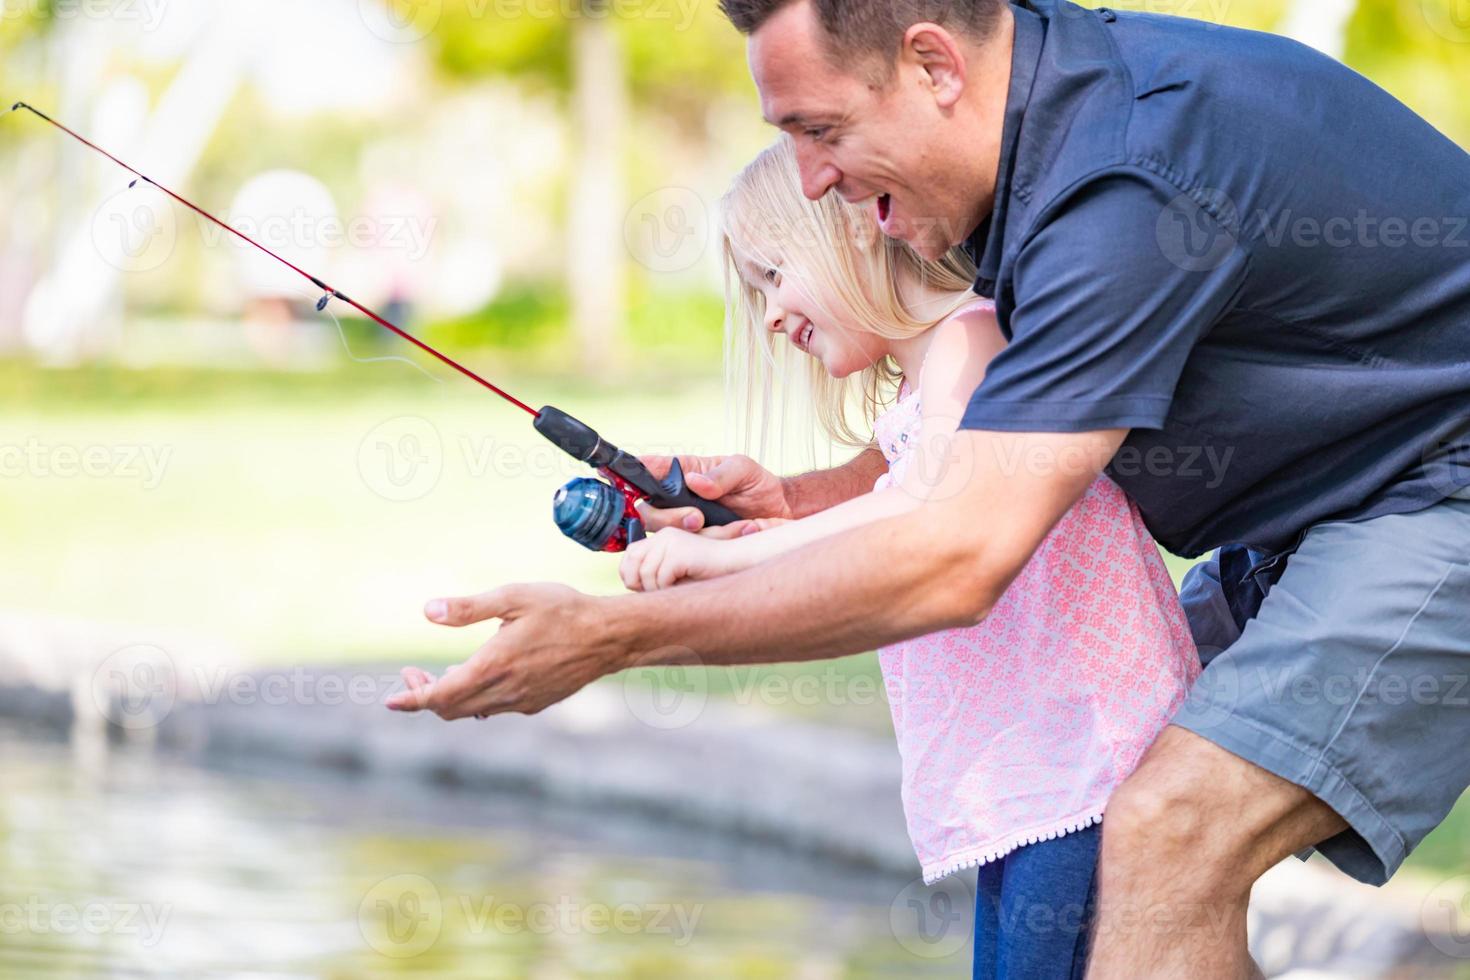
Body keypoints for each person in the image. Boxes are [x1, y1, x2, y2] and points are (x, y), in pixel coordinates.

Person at [386, 0, 1470, 975]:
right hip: (1333, 507)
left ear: (933, 64)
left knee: (1170, 823)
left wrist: (615, 637)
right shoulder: (1041, 151)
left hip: (1441, 488)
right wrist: (796, 502)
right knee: (1124, 791)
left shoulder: (1121, 181)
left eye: (819, 131)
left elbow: (962, 554)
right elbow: (983, 447)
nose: (813, 182)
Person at [632, 135, 1201, 975]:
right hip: (1038, 775)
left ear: (852, 230)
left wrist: (737, 562)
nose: (773, 316)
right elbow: (890, 503)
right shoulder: (920, 385)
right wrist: (759, 532)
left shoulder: (969, 341)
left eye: (774, 275)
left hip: (1087, 760)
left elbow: (917, 507)